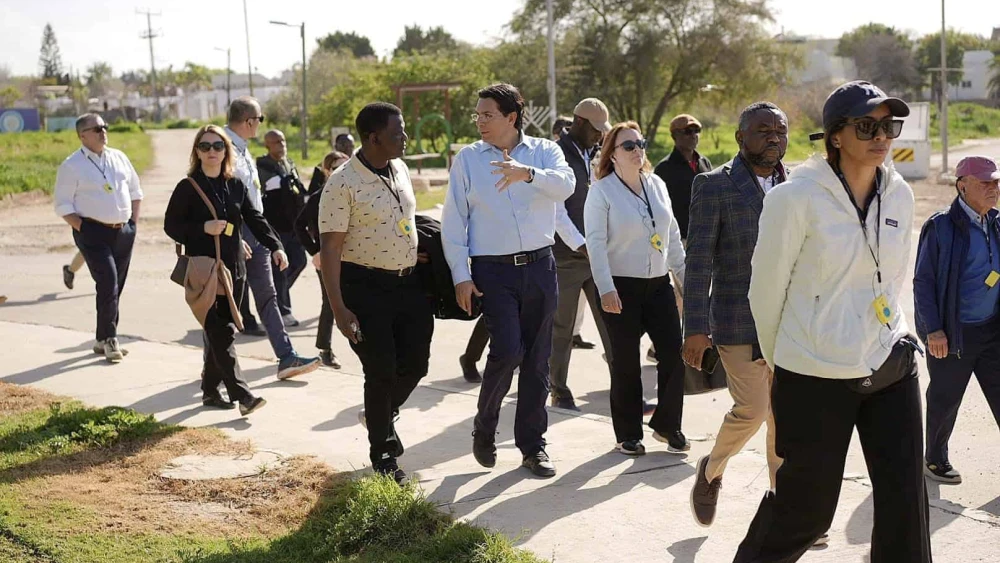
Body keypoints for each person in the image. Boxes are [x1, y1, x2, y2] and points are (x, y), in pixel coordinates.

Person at [734, 81, 929, 562]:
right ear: (835, 136)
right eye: (866, 126)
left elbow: (892, 278)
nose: (881, 136)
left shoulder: (899, 194)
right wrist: (786, 361)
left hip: (890, 365)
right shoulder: (794, 199)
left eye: (889, 126)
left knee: (906, 506)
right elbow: (765, 292)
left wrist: (897, 333)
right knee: (806, 513)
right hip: (815, 374)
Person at [442, 83, 575, 478]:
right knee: (508, 350)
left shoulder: (544, 152)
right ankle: (485, 427)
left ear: (511, 117)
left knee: (537, 359)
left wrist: (527, 174)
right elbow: (454, 221)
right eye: (478, 115)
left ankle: (533, 447)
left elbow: (566, 186)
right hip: (492, 271)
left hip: (540, 266)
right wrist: (461, 276)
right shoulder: (468, 159)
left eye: (487, 115)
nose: (479, 121)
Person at [684, 102, 790, 529]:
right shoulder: (714, 186)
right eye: (763, 130)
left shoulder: (796, 187)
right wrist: (695, 328)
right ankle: (711, 469)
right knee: (754, 409)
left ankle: (786, 509)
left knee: (786, 418)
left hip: (789, 324)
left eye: (780, 130)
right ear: (740, 137)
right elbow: (698, 260)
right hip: (737, 321)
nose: (774, 137)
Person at [319, 103, 433, 484]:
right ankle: (383, 456)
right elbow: (331, 249)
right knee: (380, 370)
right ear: (373, 138)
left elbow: (402, 217)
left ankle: (379, 414)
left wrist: (411, 246)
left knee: (416, 365)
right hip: (365, 288)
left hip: (409, 283)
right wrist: (338, 308)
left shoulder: (399, 168)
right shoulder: (342, 183)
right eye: (397, 133)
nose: (405, 138)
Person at [585, 121, 687, 455]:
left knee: (674, 354)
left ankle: (668, 425)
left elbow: (672, 235)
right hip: (620, 287)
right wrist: (605, 288)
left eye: (640, 144)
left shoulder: (657, 184)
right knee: (626, 363)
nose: (636, 150)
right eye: (628, 146)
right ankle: (628, 434)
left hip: (658, 285)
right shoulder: (602, 191)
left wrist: (684, 277)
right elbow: (595, 245)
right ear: (612, 154)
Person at [164, 125, 276, 416]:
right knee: (222, 332)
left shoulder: (234, 185)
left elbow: (253, 218)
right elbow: (171, 226)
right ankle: (243, 395)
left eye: (218, 146)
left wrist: (276, 246)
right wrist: (203, 227)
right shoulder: (188, 187)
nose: (212, 151)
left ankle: (210, 390)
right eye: (205, 146)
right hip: (205, 271)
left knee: (220, 333)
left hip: (234, 269)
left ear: (226, 151)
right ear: (197, 152)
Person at [914, 155, 1000, 484]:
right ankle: (935, 460)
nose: (994, 188)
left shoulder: (996, 222)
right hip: (953, 333)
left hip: (992, 328)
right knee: (945, 399)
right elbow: (923, 282)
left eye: (996, 182)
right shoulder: (940, 227)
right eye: (985, 182)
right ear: (962, 186)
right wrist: (933, 330)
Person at [224, 96, 319, 379]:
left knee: (268, 296)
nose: (260, 124)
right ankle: (214, 366)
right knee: (225, 303)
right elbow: (219, 199)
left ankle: (286, 357)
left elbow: (253, 202)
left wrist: (271, 241)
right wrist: (234, 236)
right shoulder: (220, 147)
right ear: (249, 121)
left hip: (255, 231)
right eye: (260, 119)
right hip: (234, 235)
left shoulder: (243, 150)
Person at [53, 113, 142, 363]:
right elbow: (62, 205)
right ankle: (111, 339)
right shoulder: (72, 165)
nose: (103, 131)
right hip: (92, 232)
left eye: (104, 126)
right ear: (83, 136)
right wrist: (83, 228)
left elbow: (135, 191)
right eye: (97, 129)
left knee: (116, 286)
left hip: (123, 231)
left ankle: (101, 339)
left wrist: (133, 224)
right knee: (108, 282)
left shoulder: (119, 157)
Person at [549, 98, 616, 411]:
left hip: (598, 255)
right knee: (562, 328)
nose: (600, 135)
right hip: (567, 256)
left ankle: (624, 387)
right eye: (595, 129)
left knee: (612, 323)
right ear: (578, 122)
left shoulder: (597, 153)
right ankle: (558, 389)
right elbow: (555, 209)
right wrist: (581, 245)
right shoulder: (556, 154)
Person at [295, 150, 350, 369]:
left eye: (347, 167)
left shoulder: (355, 193)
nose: (342, 172)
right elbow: (299, 226)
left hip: (353, 257)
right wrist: (315, 252)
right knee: (330, 302)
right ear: (327, 171)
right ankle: (325, 349)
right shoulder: (319, 197)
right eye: (337, 168)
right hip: (327, 259)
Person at [257, 129, 308, 326]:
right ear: (267, 146)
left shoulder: (289, 164)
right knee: (280, 268)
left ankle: (277, 297)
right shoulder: (262, 168)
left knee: (300, 261)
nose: (281, 145)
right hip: (275, 226)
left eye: (283, 141)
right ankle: (284, 311)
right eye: (276, 142)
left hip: (293, 224)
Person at [653, 114, 714, 242]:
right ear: (675, 136)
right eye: (688, 131)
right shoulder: (664, 168)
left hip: (707, 235)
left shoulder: (704, 162)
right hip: (680, 239)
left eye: (697, 131)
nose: (694, 135)